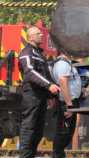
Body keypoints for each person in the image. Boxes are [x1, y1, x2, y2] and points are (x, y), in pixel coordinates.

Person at [18, 27, 61, 158]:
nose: (41, 35)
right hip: (31, 94)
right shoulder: (27, 53)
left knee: (38, 130)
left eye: (41, 33)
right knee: (29, 127)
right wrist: (49, 86)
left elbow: (44, 74)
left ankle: (31, 155)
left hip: (41, 95)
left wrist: (48, 95)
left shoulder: (39, 53)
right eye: (38, 34)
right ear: (30, 38)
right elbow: (31, 73)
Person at [51, 52, 84, 158]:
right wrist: (69, 105)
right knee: (63, 131)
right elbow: (63, 84)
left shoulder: (66, 63)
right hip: (66, 102)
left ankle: (58, 154)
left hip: (71, 101)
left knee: (69, 131)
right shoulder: (62, 64)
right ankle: (57, 155)